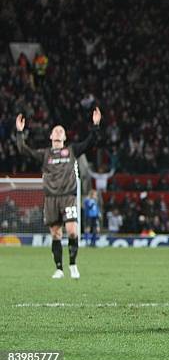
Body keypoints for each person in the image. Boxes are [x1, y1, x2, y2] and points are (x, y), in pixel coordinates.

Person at [15, 107, 102, 279]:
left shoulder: (71, 151)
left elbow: (91, 142)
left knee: (72, 231)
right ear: (51, 136)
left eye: (61, 131)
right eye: (55, 130)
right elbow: (23, 150)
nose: (58, 131)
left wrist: (96, 125)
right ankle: (59, 268)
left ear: (64, 137)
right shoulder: (45, 154)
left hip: (68, 197)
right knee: (56, 234)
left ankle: (73, 265)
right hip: (51, 199)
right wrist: (19, 132)